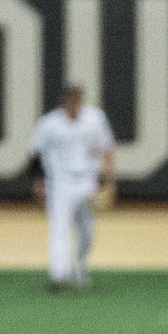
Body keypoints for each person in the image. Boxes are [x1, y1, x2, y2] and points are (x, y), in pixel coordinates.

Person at [28, 85, 115, 291]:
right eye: (71, 100)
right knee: (59, 228)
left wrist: (108, 180)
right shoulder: (50, 123)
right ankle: (59, 274)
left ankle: (79, 266)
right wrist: (39, 183)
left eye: (77, 100)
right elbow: (35, 154)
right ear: (64, 102)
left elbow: (107, 149)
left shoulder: (95, 119)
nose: (75, 104)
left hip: (87, 181)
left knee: (87, 231)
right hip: (60, 183)